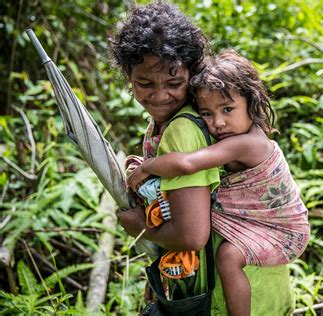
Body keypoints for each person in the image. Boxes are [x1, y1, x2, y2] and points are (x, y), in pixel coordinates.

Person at [109, 2, 295, 315]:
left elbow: (191, 235)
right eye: (145, 83)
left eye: (173, 83)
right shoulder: (179, 119)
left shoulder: (183, 129)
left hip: (229, 294)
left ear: (192, 72)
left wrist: (140, 226)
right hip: (262, 281)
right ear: (129, 75)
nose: (159, 95)